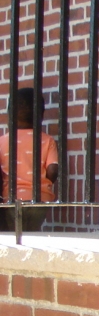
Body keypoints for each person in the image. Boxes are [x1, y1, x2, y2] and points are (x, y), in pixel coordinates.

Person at [0, 87, 58, 230]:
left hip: (12, 199)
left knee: (15, 233)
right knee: (32, 232)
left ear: (10, 114)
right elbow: (52, 170)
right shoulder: (47, 140)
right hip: (39, 199)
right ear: (41, 115)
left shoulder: (2, 141)